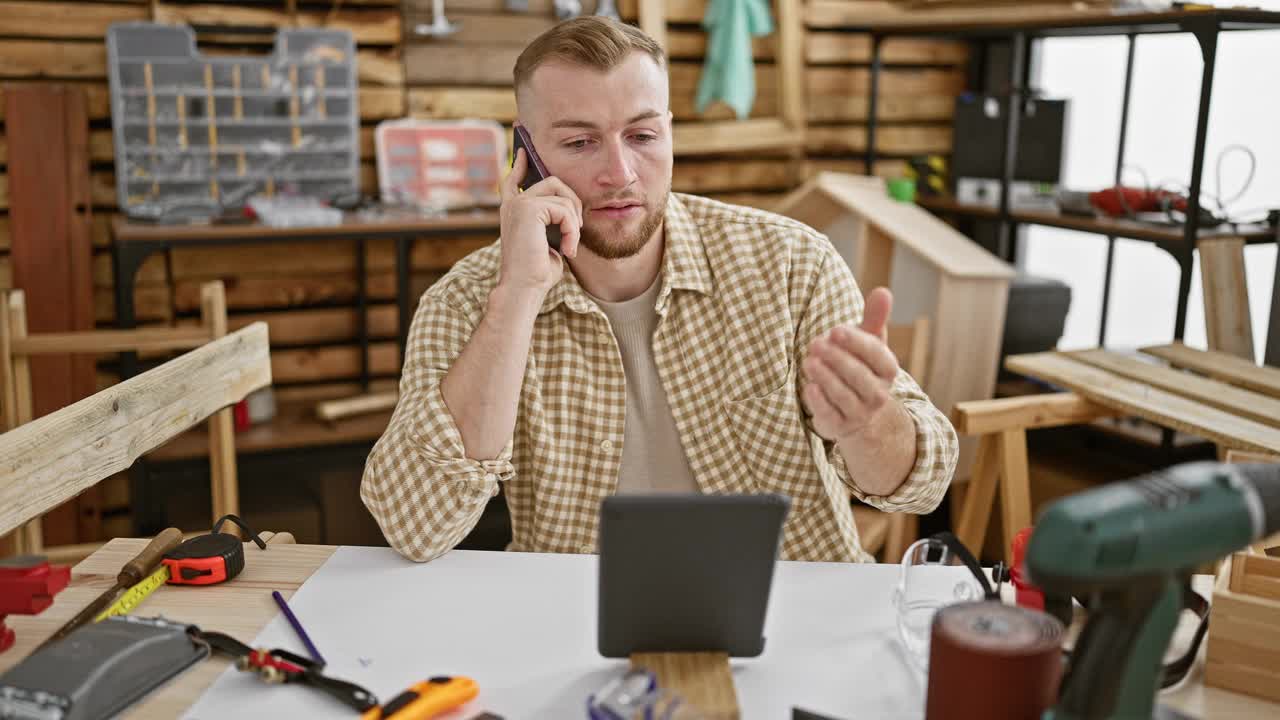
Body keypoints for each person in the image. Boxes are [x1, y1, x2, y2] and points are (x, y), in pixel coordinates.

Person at [362, 17, 957, 564]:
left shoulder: (791, 262)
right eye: (579, 142)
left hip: (790, 614)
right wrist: (517, 296)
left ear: (669, 134)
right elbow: (416, 528)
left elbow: (922, 485)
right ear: (527, 157)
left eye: (642, 136)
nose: (620, 173)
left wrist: (865, 423)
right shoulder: (467, 301)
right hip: (573, 629)